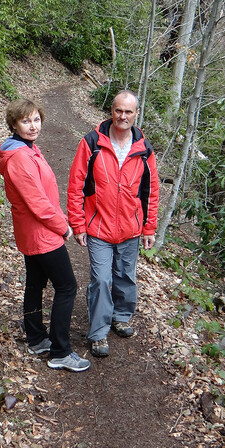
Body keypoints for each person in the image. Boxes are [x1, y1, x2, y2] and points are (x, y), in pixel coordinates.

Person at [0, 99, 90, 373]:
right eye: (26, 121)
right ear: (13, 124)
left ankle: (37, 338)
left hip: (33, 231)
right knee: (67, 286)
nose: (33, 126)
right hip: (41, 232)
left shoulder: (27, 149)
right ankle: (61, 351)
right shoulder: (20, 157)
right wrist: (62, 225)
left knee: (35, 283)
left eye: (36, 120)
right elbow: (36, 201)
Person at [67, 90, 159, 357]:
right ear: (111, 111)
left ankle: (121, 316)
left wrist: (149, 227)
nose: (123, 116)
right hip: (99, 227)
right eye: (119, 110)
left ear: (136, 114)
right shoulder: (92, 142)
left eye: (128, 112)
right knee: (101, 279)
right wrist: (78, 224)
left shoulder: (144, 149)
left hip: (131, 228)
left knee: (126, 277)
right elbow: (76, 185)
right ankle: (98, 332)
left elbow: (151, 191)